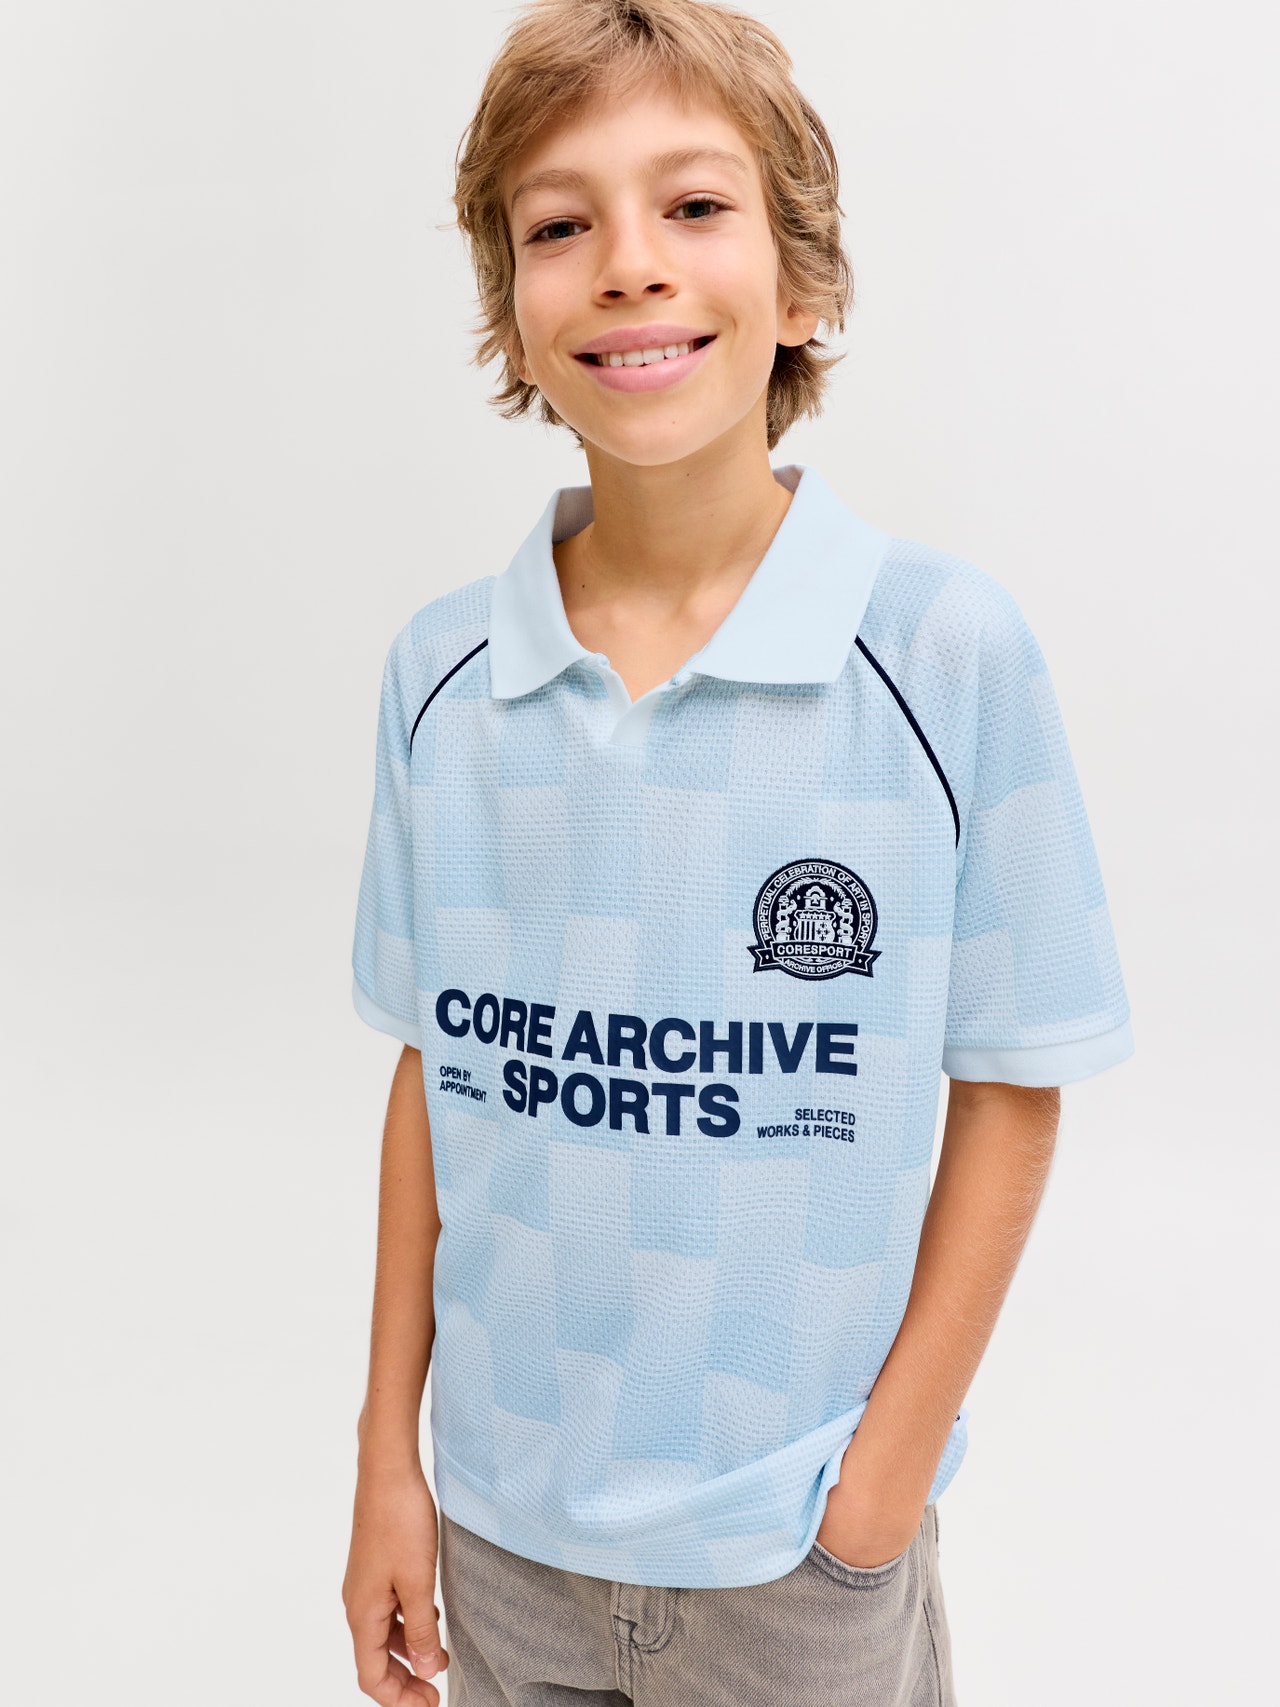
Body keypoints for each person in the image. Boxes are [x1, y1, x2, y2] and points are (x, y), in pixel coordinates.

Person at [340, 2, 1134, 1702]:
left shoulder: (942, 654)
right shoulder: (441, 679)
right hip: (501, 1538)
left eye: (694, 206)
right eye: (561, 226)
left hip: (796, 1558)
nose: (630, 263)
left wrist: (877, 1494)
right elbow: (433, 1073)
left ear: (805, 281)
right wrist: (388, 1460)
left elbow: (1012, 1079)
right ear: (513, 309)